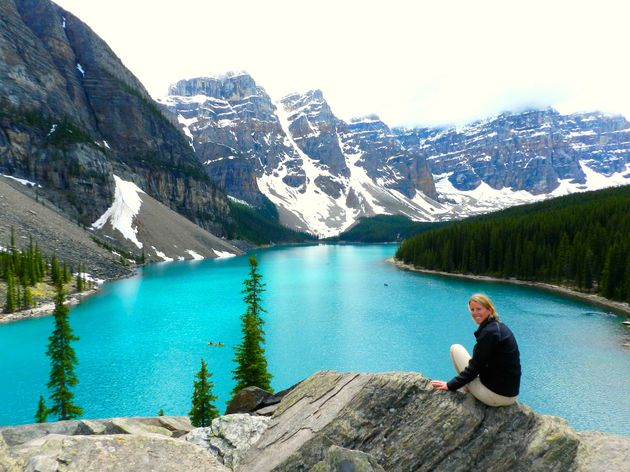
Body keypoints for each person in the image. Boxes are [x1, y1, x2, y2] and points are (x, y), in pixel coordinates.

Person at [430, 293, 521, 407]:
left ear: (490, 310)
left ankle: (471, 388)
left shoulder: (489, 333)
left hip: (496, 397)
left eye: (479, 309)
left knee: (455, 349)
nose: (475, 313)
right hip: (509, 394)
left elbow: (474, 368)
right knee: (469, 360)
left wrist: (450, 385)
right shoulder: (498, 327)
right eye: (472, 310)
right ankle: (472, 387)